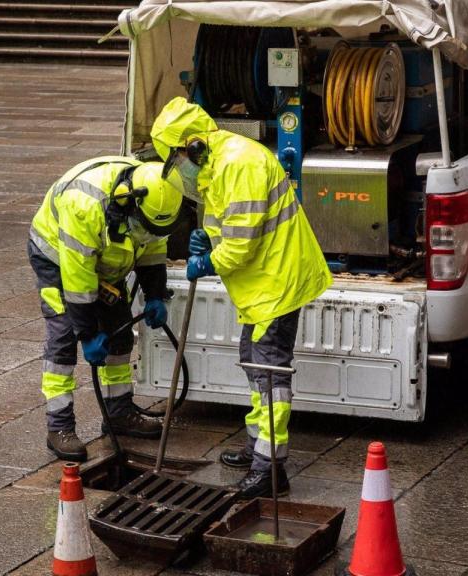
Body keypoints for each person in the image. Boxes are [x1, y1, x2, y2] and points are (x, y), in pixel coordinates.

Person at [150, 97, 333, 498]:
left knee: (269, 369)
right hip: (262, 282)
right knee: (254, 356)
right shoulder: (216, 169)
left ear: (193, 146)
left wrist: (208, 261)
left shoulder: (239, 164)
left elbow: (240, 245)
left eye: (176, 160)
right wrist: (205, 239)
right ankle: (257, 448)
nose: (178, 171)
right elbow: (227, 226)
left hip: (277, 280)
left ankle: (271, 469)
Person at [28, 158, 183, 461]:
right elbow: (78, 280)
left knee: (120, 335)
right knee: (63, 339)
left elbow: (151, 246)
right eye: (144, 226)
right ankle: (59, 427)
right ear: (128, 203)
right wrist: (86, 334)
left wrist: (154, 295)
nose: (148, 233)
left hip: (102, 262)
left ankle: (118, 413)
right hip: (59, 260)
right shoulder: (84, 207)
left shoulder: (155, 195)